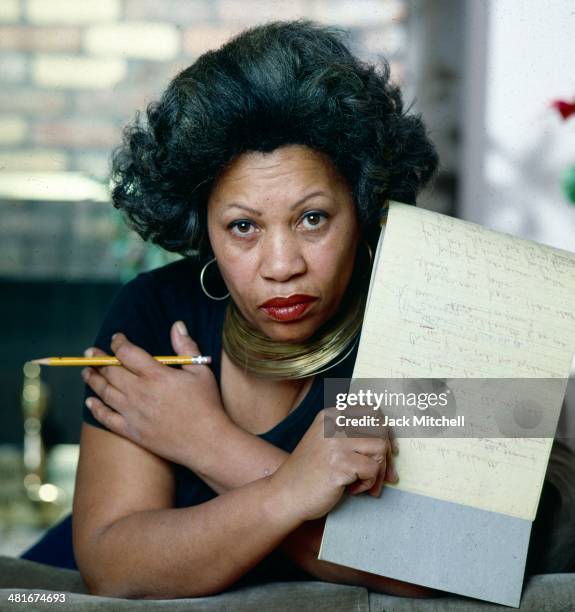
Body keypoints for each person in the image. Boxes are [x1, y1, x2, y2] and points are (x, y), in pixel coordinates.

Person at [21, 19, 572, 599]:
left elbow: (450, 564)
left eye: (313, 218)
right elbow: (115, 567)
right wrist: (292, 489)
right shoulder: (159, 310)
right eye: (242, 227)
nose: (281, 265)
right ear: (203, 229)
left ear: (361, 209)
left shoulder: (436, 312)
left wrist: (209, 442)